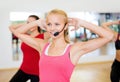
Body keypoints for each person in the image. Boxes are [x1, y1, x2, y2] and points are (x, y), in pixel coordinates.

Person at [10, 9, 114, 82]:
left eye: (57, 24)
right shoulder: (42, 46)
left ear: (65, 27)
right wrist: (36, 22)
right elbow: (17, 32)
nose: (52, 28)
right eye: (49, 24)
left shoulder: (73, 50)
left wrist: (81, 22)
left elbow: (109, 36)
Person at [9, 15, 50, 82]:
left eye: (33, 22)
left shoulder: (44, 36)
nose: (30, 24)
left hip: (37, 72)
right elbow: (11, 27)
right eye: (28, 22)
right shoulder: (24, 36)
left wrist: (40, 23)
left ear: (37, 24)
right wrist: (28, 24)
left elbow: (54, 30)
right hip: (24, 69)